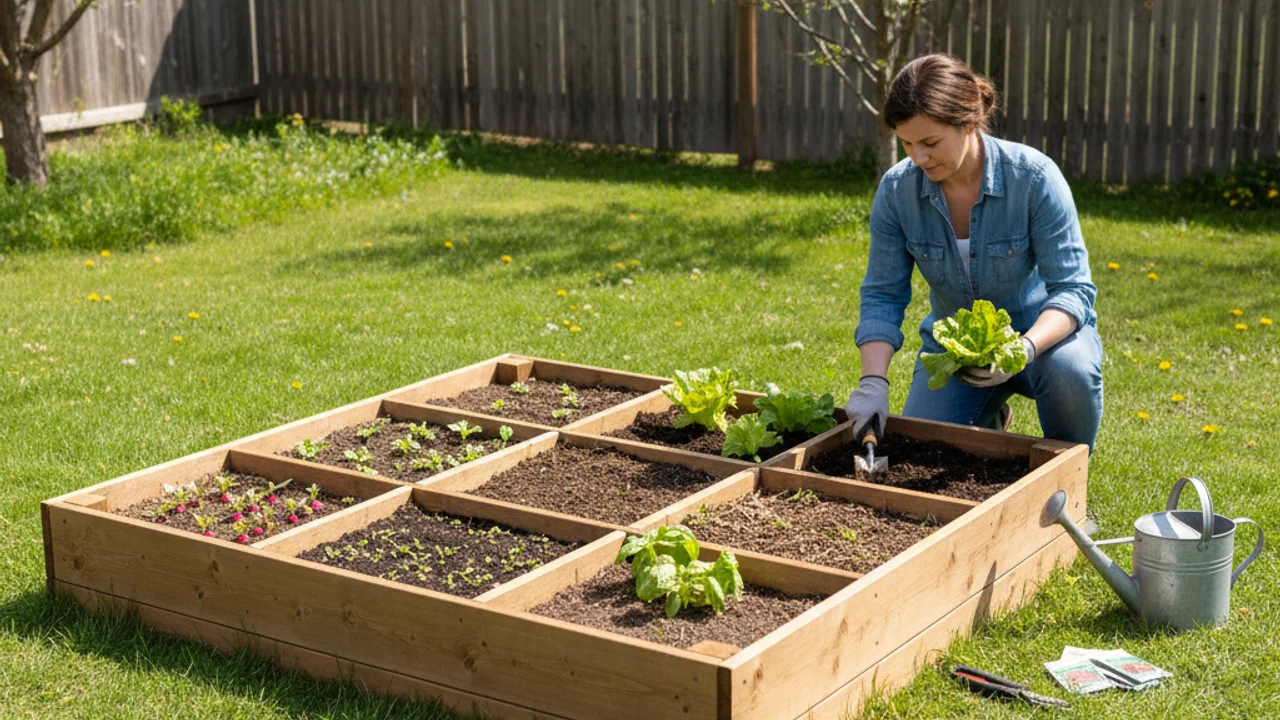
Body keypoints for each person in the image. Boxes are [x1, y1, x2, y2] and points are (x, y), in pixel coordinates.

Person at [844, 54, 1103, 453]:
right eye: (907, 143)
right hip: (957, 355)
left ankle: (1067, 483)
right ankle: (988, 414)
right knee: (923, 448)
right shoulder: (898, 192)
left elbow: (1073, 290)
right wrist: (873, 383)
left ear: (969, 122)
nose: (918, 158)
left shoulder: (1034, 178)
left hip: (1042, 345)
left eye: (930, 143)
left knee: (1073, 370)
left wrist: (1024, 348)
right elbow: (883, 294)